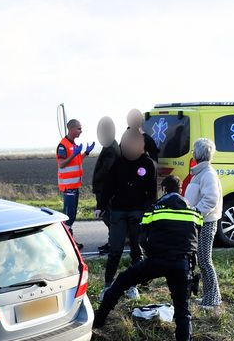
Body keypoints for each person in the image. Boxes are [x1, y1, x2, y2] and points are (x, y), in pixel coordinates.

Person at [93, 175, 201, 341]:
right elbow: (195, 240)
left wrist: (151, 259)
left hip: (157, 260)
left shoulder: (155, 208)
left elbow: (143, 239)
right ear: (180, 190)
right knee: (183, 312)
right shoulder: (194, 212)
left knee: (122, 281)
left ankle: (99, 320)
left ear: (164, 190)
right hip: (182, 264)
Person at [97, 128, 157, 299]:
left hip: (138, 212)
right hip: (118, 212)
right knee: (115, 250)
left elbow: (152, 193)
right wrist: (100, 206)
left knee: (136, 251)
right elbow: (109, 187)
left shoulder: (148, 164)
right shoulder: (118, 163)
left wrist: (149, 211)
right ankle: (108, 285)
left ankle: (133, 286)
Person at [183, 138, 223, 309]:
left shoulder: (207, 174)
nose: (192, 153)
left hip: (206, 222)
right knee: (203, 260)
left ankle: (213, 299)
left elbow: (211, 198)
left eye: (193, 151)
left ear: (197, 154)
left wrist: (196, 213)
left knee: (205, 260)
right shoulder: (200, 172)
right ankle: (209, 297)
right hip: (200, 221)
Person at [55, 119, 94, 238]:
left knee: (72, 216)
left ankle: (71, 241)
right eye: (79, 128)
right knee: (68, 216)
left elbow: (76, 161)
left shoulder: (73, 145)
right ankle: (66, 241)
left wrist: (85, 153)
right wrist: (73, 154)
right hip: (68, 188)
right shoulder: (63, 145)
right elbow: (61, 163)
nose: (81, 131)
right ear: (71, 129)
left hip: (75, 186)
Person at [90, 116, 119, 253]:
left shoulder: (111, 149)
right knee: (109, 218)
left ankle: (112, 244)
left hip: (106, 190)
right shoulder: (110, 145)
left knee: (109, 218)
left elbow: (107, 171)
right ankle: (112, 242)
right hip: (105, 189)